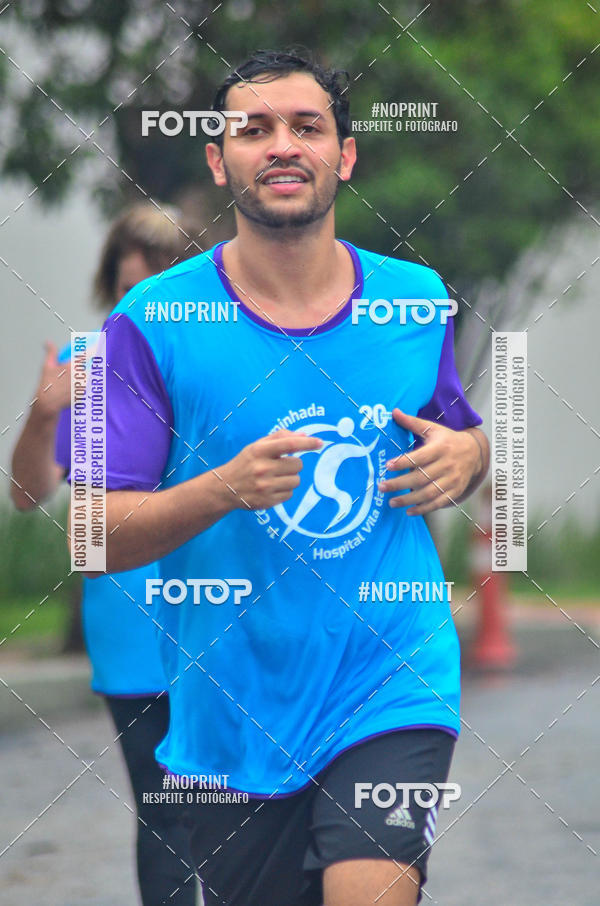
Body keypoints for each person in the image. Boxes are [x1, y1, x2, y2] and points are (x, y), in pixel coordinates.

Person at [74, 51, 490, 906]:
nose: (282, 145)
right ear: (218, 159)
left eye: (307, 126)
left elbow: (460, 436)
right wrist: (222, 488)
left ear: (345, 155)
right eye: (254, 128)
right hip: (232, 714)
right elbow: (91, 531)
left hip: (390, 674)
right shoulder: (147, 324)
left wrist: (473, 457)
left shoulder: (416, 302)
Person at [11, 203, 199, 906]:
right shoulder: (84, 367)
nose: (141, 305)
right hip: (131, 630)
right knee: (165, 814)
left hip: (228, 619)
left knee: (241, 812)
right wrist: (44, 414)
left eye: (159, 285)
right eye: (126, 292)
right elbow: (29, 496)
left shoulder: (230, 357)